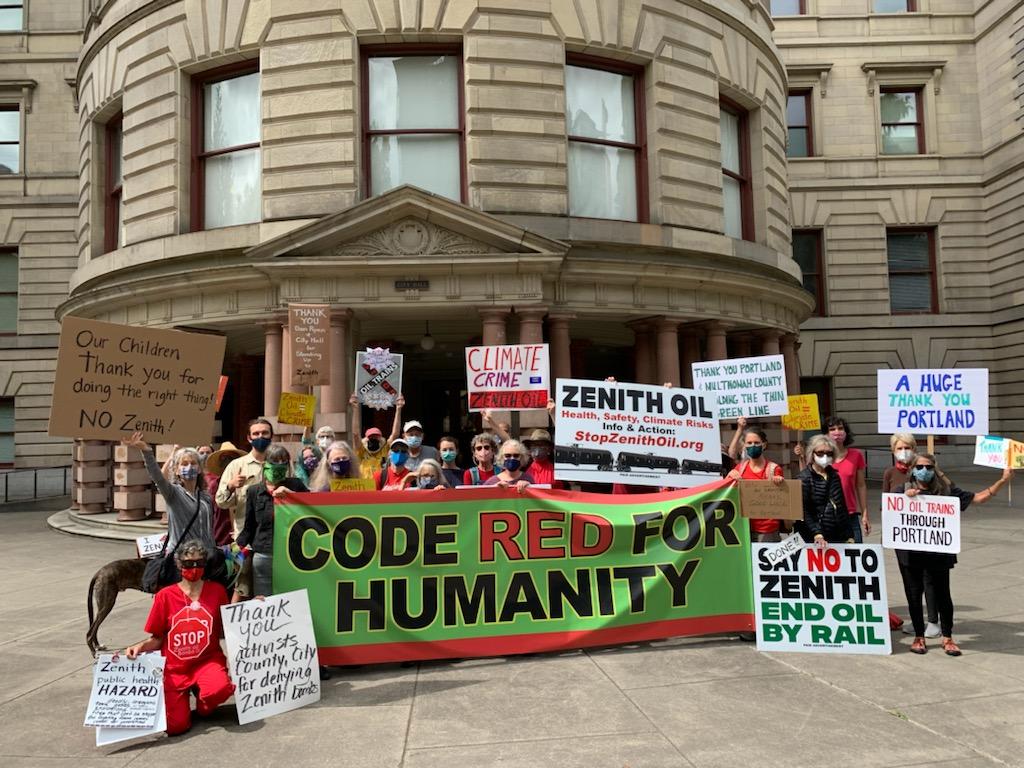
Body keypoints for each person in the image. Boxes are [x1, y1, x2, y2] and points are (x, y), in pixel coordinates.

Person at [897, 454, 1013, 656]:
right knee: (914, 595)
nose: (925, 470)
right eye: (920, 466)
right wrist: (904, 499)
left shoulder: (947, 491)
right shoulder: (902, 490)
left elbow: (977, 498)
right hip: (911, 553)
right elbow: (889, 511)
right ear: (913, 469)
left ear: (935, 470)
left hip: (939, 553)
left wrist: (1003, 480)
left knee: (943, 594)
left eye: (929, 467)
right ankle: (918, 636)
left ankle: (947, 637)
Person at [124, 539, 234, 736]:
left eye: (199, 563)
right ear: (178, 565)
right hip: (176, 669)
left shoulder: (216, 591)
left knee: (220, 689)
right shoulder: (165, 596)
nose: (194, 568)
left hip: (207, 661)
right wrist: (139, 647)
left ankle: (203, 700)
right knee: (176, 727)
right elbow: (157, 638)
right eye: (188, 564)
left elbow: (231, 622)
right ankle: (185, 698)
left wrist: (254, 607)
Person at [124, 433, 223, 589]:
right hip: (183, 560)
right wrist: (146, 451)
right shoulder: (173, 493)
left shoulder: (205, 497)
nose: (189, 467)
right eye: (184, 464)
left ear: (199, 469)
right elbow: (157, 476)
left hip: (206, 558)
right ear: (176, 470)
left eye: (193, 463)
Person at [237, 444, 307, 598]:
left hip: (292, 555)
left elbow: (312, 508)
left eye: (283, 462)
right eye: (274, 462)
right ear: (265, 464)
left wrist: (291, 495)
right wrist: (237, 548)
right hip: (263, 555)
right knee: (265, 601)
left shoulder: (296, 484)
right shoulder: (254, 491)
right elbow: (249, 525)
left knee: (292, 599)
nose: (279, 466)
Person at [884, 433, 930, 635]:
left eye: (907, 447)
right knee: (910, 581)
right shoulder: (889, 473)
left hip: (925, 533)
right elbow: (886, 504)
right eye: (899, 448)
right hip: (902, 535)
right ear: (893, 451)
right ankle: (916, 620)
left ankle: (934, 621)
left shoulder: (923, 470)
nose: (904, 451)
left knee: (928, 580)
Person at [727, 425, 786, 542]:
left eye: (756, 442)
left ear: (764, 445)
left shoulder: (774, 469)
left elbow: (781, 498)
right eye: (749, 443)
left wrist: (779, 482)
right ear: (744, 445)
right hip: (744, 528)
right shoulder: (740, 468)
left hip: (767, 530)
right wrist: (730, 476)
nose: (752, 446)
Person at [215, 418, 275, 535]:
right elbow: (221, 502)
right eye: (256, 434)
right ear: (249, 438)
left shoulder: (281, 464)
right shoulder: (236, 465)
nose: (260, 437)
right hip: (246, 536)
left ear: (271, 436)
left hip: (275, 534)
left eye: (265, 433)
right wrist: (231, 486)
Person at [796, 434, 854, 546]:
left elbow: (841, 506)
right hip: (813, 538)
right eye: (820, 453)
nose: (824, 456)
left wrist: (849, 535)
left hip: (836, 535)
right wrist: (817, 533)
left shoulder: (834, 475)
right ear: (812, 454)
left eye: (829, 453)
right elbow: (804, 510)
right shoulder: (803, 478)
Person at [824, 417, 869, 542]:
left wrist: (865, 514)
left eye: (840, 428)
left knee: (856, 556)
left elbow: (860, 486)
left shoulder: (856, 455)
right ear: (826, 434)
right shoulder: (821, 457)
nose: (837, 432)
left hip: (850, 516)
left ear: (846, 432)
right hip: (827, 517)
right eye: (832, 429)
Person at [350, 392, 402, 479]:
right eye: (371, 437)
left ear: (380, 438)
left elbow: (395, 434)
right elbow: (355, 434)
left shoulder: (385, 449)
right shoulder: (361, 450)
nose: (373, 439)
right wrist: (355, 409)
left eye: (375, 437)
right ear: (366, 439)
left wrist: (398, 409)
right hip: (365, 487)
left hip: (380, 488)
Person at [203, 441, 245, 547]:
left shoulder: (246, 483)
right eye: (225, 459)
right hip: (220, 538)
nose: (228, 463)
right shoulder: (215, 485)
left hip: (243, 538)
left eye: (232, 459)